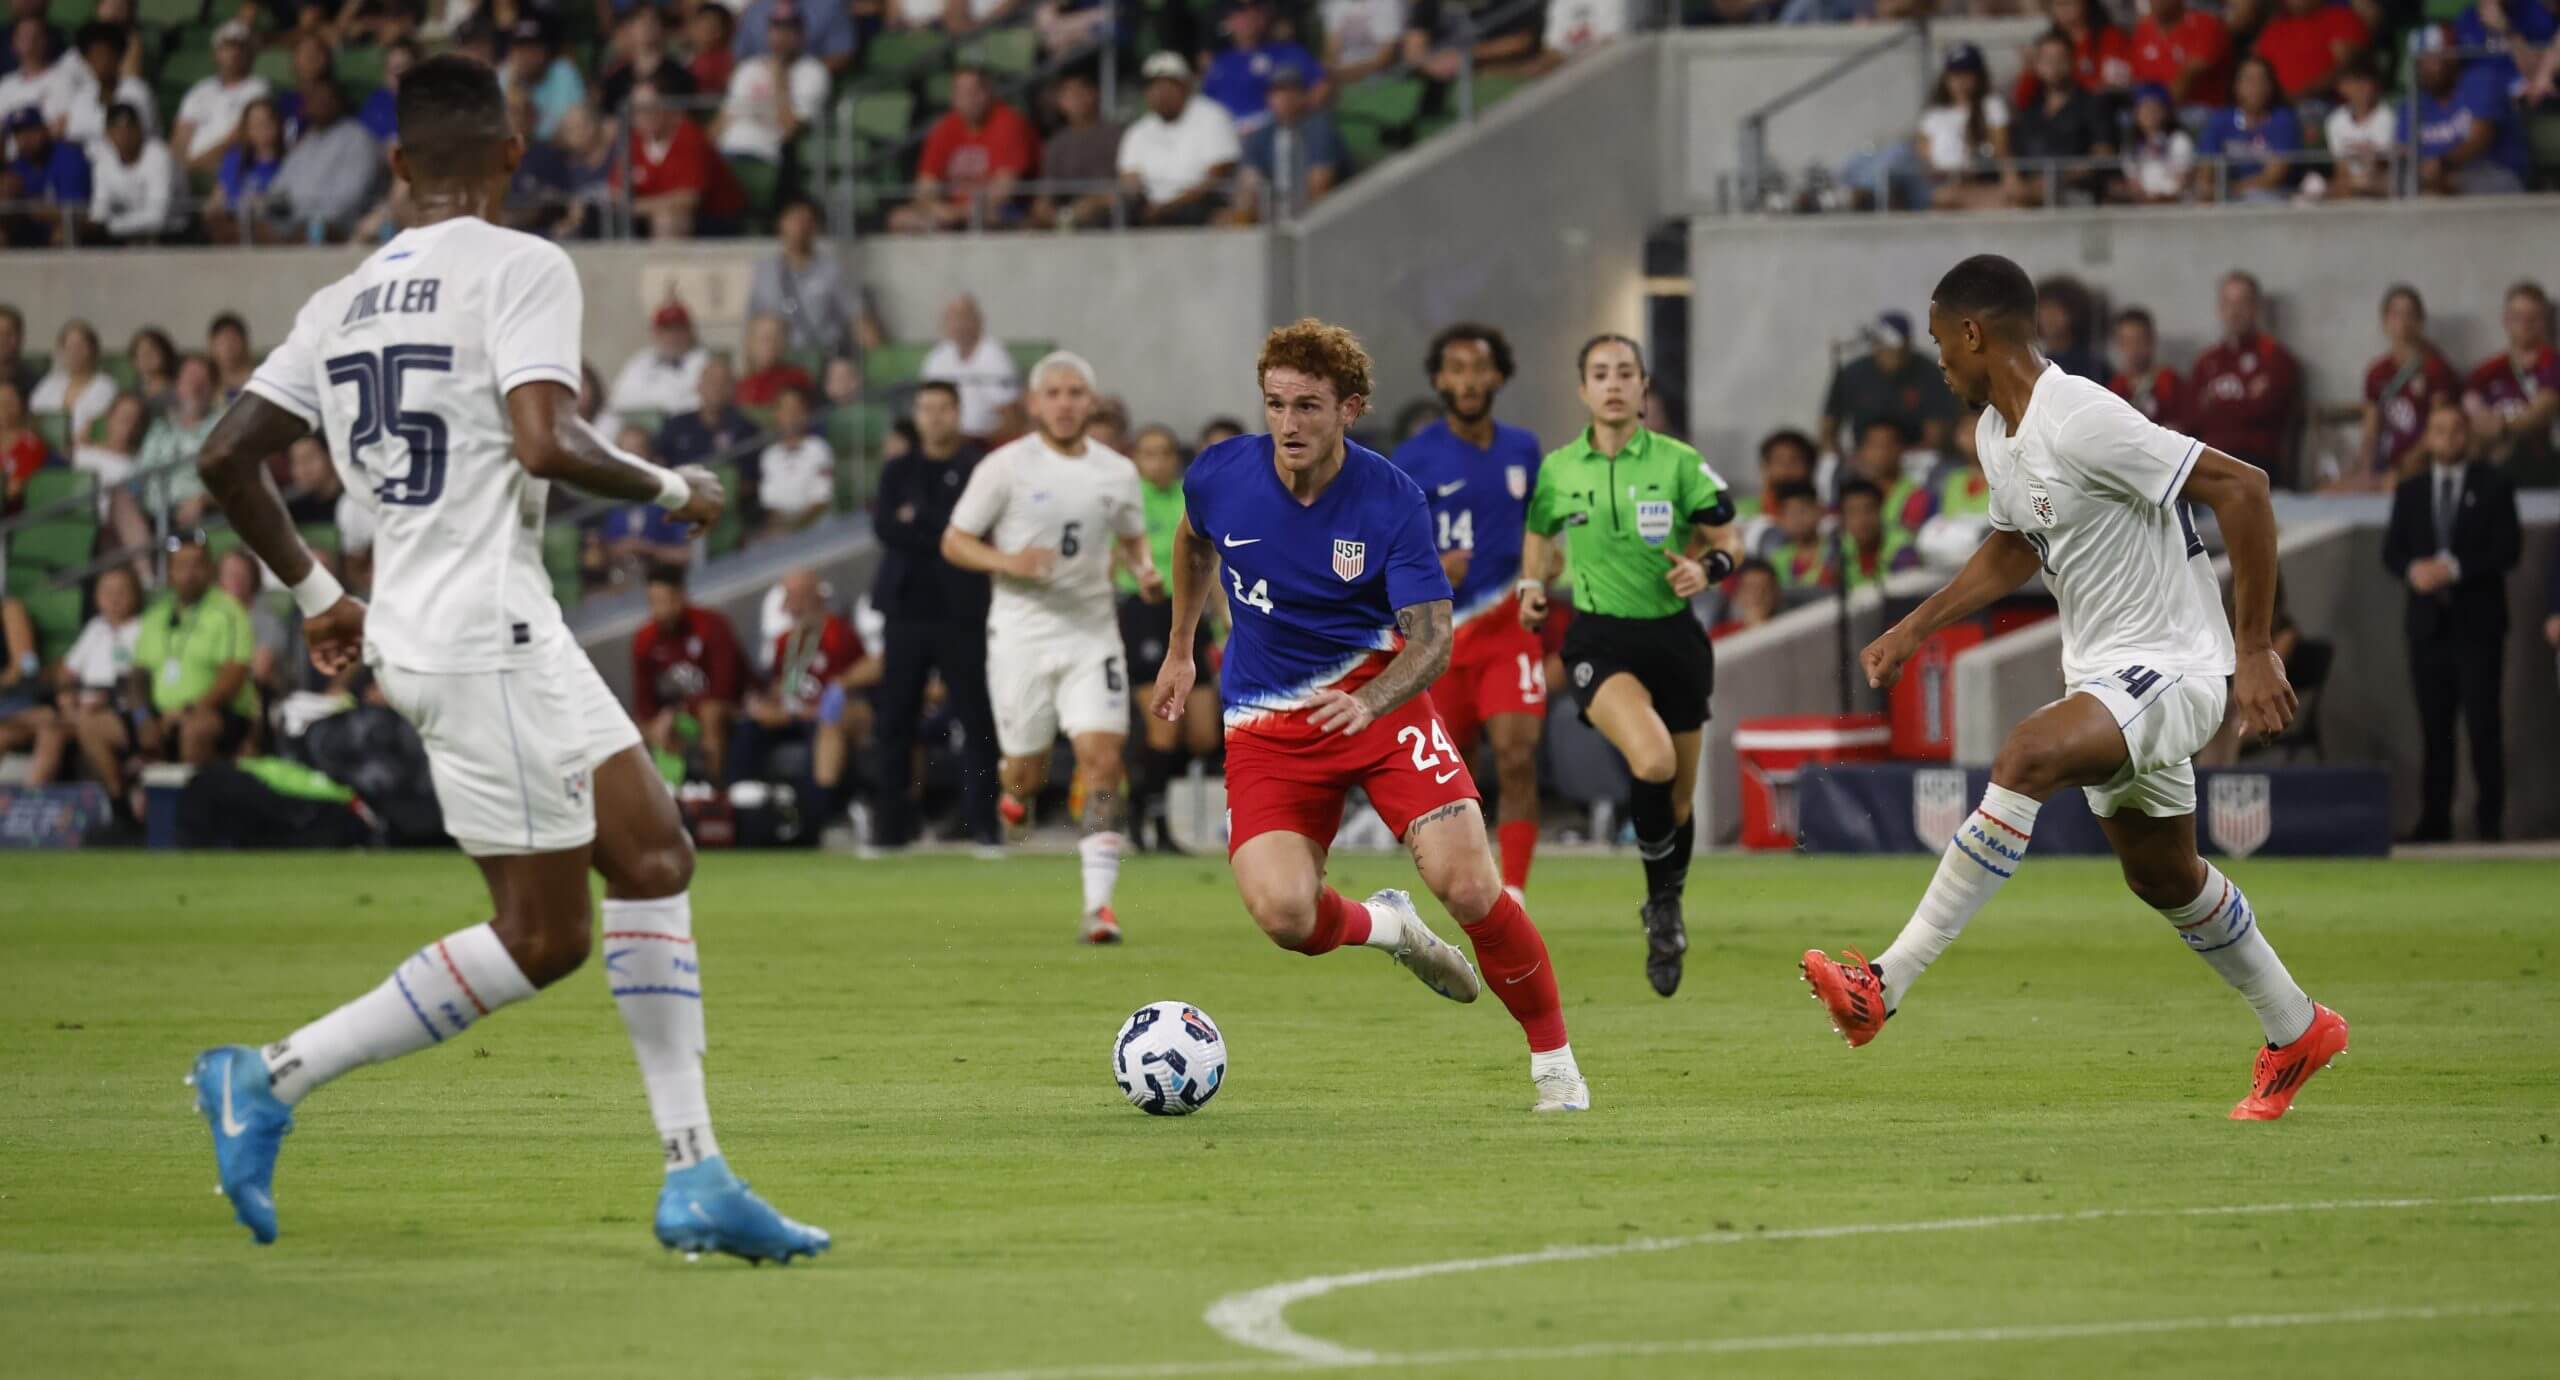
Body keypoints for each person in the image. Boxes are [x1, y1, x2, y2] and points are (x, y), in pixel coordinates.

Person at [181, 52, 827, 1262]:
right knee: (542, 938)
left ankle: (698, 1176)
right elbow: (544, 438)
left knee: (651, 856)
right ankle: (266, 1077)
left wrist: (321, 591)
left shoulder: (341, 302)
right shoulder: (524, 264)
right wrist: (668, 483)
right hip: (482, 632)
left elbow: (224, 459)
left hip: (459, 620)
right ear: (513, 155)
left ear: (394, 164)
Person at [1800, 252, 2345, 1122]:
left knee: (2026, 754)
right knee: (2163, 876)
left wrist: (2252, 649)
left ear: (1975, 333)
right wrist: (1914, 626)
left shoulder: (2083, 415)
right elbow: (2016, 545)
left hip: (2177, 663)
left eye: (1943, 342)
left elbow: (2242, 488)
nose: (1939, 362)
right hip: (2105, 673)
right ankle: (2298, 1028)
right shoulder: (1994, 433)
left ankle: (1883, 986)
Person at [1150, 318, 1584, 1112]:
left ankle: (1554, 1061)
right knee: (1284, 914)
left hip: (1382, 711)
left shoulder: (1389, 498)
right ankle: (1392, 931)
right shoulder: (1222, 475)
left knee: (1469, 884)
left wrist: (1372, 700)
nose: (1288, 424)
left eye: (1308, 406)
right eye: (1276, 404)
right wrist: (1181, 647)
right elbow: (1192, 542)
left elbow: (1432, 640)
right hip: (1266, 726)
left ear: (1349, 408)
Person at [1519, 335, 1740, 998]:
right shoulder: (1559, 470)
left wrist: (1707, 567)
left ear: (1643, 387)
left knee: (1676, 799)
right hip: (1600, 642)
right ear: (1582, 390)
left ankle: (1664, 906)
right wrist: (1533, 587)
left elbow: (1729, 536)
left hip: (1674, 641)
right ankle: (1663, 905)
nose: (1613, 384)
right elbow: (1539, 539)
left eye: (1625, 373)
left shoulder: (1679, 464)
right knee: (1651, 762)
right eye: (1599, 374)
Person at [939, 353, 1155, 944]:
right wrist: (1009, 561)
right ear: (1035, 404)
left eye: (1075, 392)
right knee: (1026, 771)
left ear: (1092, 402)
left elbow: (1134, 538)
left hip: (1091, 632)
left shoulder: (1116, 471)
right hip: (1021, 636)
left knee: (1103, 759)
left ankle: (1099, 905)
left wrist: (1144, 569)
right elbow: (955, 541)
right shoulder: (1004, 467)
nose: (1064, 403)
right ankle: (1016, 796)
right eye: (1053, 393)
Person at [1392, 323, 1548, 902]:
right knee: (1451, 777)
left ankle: (1519, 892)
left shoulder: (1524, 449)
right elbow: (1391, 545)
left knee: (1517, 752)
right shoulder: (1413, 457)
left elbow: (1543, 526)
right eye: (1455, 368)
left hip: (1511, 627)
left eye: (1478, 368)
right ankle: (1467, 885)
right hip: (1443, 635)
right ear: (1439, 379)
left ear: (1499, 375)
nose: (1468, 380)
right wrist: (1433, 569)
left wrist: (1545, 566)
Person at [867, 379, 1000, 851]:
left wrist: (921, 520)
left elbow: (974, 526)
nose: (935, 416)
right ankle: (888, 831)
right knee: (894, 720)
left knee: (976, 716)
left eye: (944, 408)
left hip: (961, 610)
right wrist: (946, 536)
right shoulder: (897, 468)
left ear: (958, 412)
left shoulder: (977, 467)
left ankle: (984, 824)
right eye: (926, 408)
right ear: (917, 414)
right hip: (905, 609)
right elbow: (886, 527)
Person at [2384, 402, 2522, 842]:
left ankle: (2489, 824)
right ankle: (2435, 822)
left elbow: (2509, 549)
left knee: (2484, 726)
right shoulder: (2411, 490)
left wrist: (2456, 568)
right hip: (2427, 629)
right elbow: (2392, 551)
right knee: (2434, 728)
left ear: (2467, 437)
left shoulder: (2495, 485)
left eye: (2456, 431)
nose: (2448, 439)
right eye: (2439, 430)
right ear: (2429, 437)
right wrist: (2414, 571)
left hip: (2478, 626)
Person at [1116, 423, 1219, 852]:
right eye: (1149, 453)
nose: (1158, 461)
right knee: (1163, 727)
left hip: (1189, 613)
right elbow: (1113, 551)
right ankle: (1155, 823)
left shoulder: (1189, 496)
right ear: (1136, 458)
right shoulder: (1126, 499)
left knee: (1204, 733)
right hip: (1143, 612)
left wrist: (1224, 611)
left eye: (1164, 452)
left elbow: (1206, 557)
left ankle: (1140, 796)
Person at [738, 568, 878, 826]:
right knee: (748, 729)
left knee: (822, 729)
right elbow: (782, 687)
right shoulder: (785, 641)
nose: (789, 605)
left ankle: (818, 820)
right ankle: (741, 805)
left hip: (822, 715)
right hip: (792, 714)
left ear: (810, 597)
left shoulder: (839, 634)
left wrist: (791, 712)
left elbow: (842, 694)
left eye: (793, 597)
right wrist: (765, 707)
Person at [132, 531, 258, 769]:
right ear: (169, 572)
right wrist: (143, 719)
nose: (189, 574)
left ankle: (192, 802)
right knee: (95, 727)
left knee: (195, 729)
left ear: (210, 569)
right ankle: (118, 804)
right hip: (161, 715)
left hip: (218, 712)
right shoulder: (154, 616)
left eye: (197, 565)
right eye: (180, 566)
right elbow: (138, 677)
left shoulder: (229, 612)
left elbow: (233, 676)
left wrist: (189, 710)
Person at [13, 565, 143, 788]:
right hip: (76, 708)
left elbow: (137, 683)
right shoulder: (95, 627)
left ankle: (33, 799)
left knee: (52, 732)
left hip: (112, 711)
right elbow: (67, 671)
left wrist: (102, 702)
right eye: (107, 592)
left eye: (121, 592)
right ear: (97, 597)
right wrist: (65, 696)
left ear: (136, 595)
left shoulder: (143, 629)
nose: (113, 599)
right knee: (13, 724)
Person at [2184, 270, 2302, 486]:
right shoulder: (2205, 362)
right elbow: (2193, 419)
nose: (2234, 311)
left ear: (2256, 308)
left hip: (2255, 470)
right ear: (2219, 309)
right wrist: (2244, 401)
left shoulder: (2275, 358)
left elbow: (2264, 414)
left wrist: (2216, 406)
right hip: (2206, 467)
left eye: (2242, 303)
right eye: (2228, 303)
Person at [633, 562, 746, 782]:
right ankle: (669, 797)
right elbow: (643, 704)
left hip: (724, 710)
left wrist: (677, 713)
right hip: (676, 719)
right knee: (633, 729)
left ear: (681, 596)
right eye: (653, 603)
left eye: (665, 601)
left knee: (709, 712)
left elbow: (724, 690)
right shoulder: (644, 640)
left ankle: (714, 790)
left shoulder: (711, 626)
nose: (659, 610)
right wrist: (656, 724)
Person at [891, 65, 1038, 231]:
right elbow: (924, 187)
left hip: (1003, 210)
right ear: (952, 97)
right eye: (961, 93)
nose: (968, 99)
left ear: (988, 93)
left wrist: (958, 213)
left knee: (993, 215)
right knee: (901, 218)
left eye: (974, 92)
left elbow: (1003, 191)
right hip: (950, 214)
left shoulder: (1009, 123)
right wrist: (937, 209)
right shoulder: (945, 128)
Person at [2351, 285, 2462, 492]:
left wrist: (2402, 468)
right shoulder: (2377, 372)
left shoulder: (2435, 368)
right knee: (2329, 492)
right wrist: (2365, 469)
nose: (2402, 321)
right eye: (2395, 314)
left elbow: (2439, 430)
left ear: (2420, 321)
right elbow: (2370, 428)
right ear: (2385, 321)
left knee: (2395, 487)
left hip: (2420, 464)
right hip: (2382, 463)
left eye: (2409, 314)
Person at [1116, 52, 1242, 228]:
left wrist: (1167, 207)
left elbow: (1217, 176)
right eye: (1153, 87)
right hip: (1153, 206)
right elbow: (1129, 179)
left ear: (1185, 87)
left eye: (1167, 86)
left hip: (1200, 203)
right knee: (1118, 213)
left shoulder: (1212, 116)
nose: (1160, 93)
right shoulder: (1138, 130)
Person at [2404, 24, 2529, 198]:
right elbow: (2403, 151)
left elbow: (2479, 139)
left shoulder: (2480, 80)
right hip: (2435, 181)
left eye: (2434, 58)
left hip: (2496, 175)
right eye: (2422, 59)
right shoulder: (2411, 104)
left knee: (2440, 187)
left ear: (2453, 58)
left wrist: (2442, 164)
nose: (2426, 67)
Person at [1822, 310, 1960, 458]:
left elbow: (1935, 434)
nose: (1893, 356)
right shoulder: (1853, 374)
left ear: (1908, 345)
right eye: (1886, 348)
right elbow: (1829, 423)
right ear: (1875, 344)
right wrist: (1835, 457)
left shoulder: (1929, 373)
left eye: (1899, 349)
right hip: (1864, 457)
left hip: (1914, 457)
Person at [620, 80, 746, 239]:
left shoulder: (689, 136)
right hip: (651, 220)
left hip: (716, 218)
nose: (644, 116)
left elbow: (689, 199)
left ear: (667, 107)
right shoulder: (634, 143)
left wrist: (635, 207)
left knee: (667, 219)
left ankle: (666, 265)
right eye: (638, 110)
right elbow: (617, 191)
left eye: (650, 108)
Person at [750, 197, 875, 357]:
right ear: (781, 224)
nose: (800, 227)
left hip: (825, 358)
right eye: (795, 219)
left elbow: (858, 318)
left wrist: (877, 357)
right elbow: (753, 323)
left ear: (815, 228)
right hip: (781, 362)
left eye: (807, 221)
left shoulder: (832, 271)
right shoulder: (765, 272)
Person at [2464, 280, 2559, 487]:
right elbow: (2471, 412)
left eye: (2532, 318)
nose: (2525, 324)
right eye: (2517, 317)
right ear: (2506, 320)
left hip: (2543, 463)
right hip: (2492, 461)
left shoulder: (2552, 363)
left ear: (2544, 321)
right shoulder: (2487, 370)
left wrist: (2503, 429)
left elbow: (2541, 412)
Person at [263, 81, 383, 241]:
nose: (318, 103)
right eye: (312, 98)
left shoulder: (358, 138)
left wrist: (300, 216)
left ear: (338, 102)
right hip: (292, 224)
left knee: (314, 230)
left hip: (337, 226)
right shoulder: (306, 142)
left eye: (325, 98)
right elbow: (277, 190)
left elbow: (349, 201)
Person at [711, 3, 824, 168]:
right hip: (724, 152)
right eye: (776, 28)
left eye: (789, 29)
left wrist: (779, 79)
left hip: (765, 156)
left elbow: (790, 129)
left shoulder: (813, 72)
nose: (781, 35)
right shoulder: (748, 68)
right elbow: (722, 120)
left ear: (801, 34)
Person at [1235, 67, 1347, 221]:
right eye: (1278, 91)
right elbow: (1249, 184)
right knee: (1232, 214)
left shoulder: (1320, 128)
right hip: (1273, 212)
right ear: (1269, 98)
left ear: (1304, 95)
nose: (1285, 97)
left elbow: (1320, 185)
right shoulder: (1260, 135)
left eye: (1292, 90)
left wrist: (1281, 210)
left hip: (1323, 216)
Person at [1201, 0, 1325, 137]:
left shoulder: (1287, 52)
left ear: (1264, 18)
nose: (1247, 21)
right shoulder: (1220, 62)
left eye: (1254, 15)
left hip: (1275, 133)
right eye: (1240, 17)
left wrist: (1298, 109)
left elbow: (1322, 85)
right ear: (1229, 22)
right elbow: (1206, 105)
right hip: (1229, 135)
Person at [2194, 56, 2300, 203]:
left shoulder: (2283, 120)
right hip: (2226, 196)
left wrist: (2229, 190)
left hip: (2271, 196)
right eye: (2248, 79)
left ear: (2271, 86)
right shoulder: (2220, 120)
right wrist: (2208, 190)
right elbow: (2206, 170)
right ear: (2236, 86)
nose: (2255, 86)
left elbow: (2274, 177)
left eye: (2261, 80)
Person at [919, 293, 1020, 440]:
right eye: (952, 317)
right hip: (944, 439)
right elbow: (925, 408)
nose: (958, 323)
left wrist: (971, 441)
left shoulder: (995, 357)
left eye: (963, 316)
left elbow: (1012, 421)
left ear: (978, 320)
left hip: (983, 442)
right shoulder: (936, 358)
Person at [1031, 69, 1122, 231]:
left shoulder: (1115, 136)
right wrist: (1045, 211)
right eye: (1066, 96)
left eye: (1078, 93)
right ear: (1060, 103)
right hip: (1065, 214)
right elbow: (1046, 194)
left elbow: (1123, 188)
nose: (1073, 101)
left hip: (1105, 214)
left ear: (1093, 95)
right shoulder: (1055, 143)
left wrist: (1092, 204)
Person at [172, 20, 269, 172]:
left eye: (240, 47)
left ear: (250, 54)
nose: (234, 52)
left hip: (224, 169)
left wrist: (193, 166)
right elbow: (181, 135)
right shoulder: (201, 89)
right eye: (228, 47)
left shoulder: (258, 88)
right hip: (186, 170)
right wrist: (177, 168)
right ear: (215, 54)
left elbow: (236, 138)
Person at [82, 102, 178, 244]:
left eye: (130, 128)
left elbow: (158, 217)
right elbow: (99, 210)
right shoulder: (104, 161)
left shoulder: (159, 155)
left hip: (172, 236)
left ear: (140, 130)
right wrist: (94, 225)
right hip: (124, 236)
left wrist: (109, 226)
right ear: (108, 134)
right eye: (117, 129)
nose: (124, 135)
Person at [2253, 0, 2369, 102]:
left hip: (2321, 104)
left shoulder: (2341, 18)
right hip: (2274, 109)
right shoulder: (2272, 29)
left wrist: (2300, 95)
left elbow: (2344, 68)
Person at [611, 302, 711, 419]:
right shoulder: (640, 360)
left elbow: (698, 403)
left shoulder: (703, 361)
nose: (672, 336)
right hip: (639, 426)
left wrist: (651, 399)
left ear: (689, 332)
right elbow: (618, 400)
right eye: (666, 330)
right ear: (655, 333)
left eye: (678, 330)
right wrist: (664, 404)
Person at [2128, 0, 2233, 108]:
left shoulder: (2205, 24)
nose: (2156, 2)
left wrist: (2162, 107)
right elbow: (2137, 79)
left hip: (2197, 108)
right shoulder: (2143, 30)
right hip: (2151, 109)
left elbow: (2189, 75)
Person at [756, 385, 833, 533]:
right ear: (777, 415)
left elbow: (821, 501)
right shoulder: (769, 456)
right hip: (781, 534)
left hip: (816, 531)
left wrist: (795, 528)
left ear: (806, 415)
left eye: (796, 410)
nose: (791, 416)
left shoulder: (819, 449)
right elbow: (770, 505)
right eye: (785, 410)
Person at [2322, 54, 2397, 199]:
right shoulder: (2335, 121)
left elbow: (2385, 166)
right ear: (2342, 87)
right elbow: (2341, 169)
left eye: (2366, 80)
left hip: (2382, 186)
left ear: (2376, 84)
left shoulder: (2390, 118)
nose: (2361, 87)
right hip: (2351, 187)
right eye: (2355, 81)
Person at [31, 318, 116, 441]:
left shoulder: (106, 387)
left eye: (80, 346)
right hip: (48, 450)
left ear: (93, 350)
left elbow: (104, 430)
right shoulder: (50, 383)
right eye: (69, 347)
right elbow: (34, 417)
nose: (74, 352)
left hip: (88, 451)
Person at [2106, 307, 2182, 426]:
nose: (2134, 348)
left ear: (2151, 340)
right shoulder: (2115, 387)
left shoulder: (2168, 381)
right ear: (2119, 344)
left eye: (2139, 340)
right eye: (2127, 341)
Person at [1709, 558, 1781, 639]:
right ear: (1737, 596)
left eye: (1765, 588)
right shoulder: (1719, 634)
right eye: (1749, 588)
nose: (1757, 595)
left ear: (1776, 594)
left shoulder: (1789, 628)